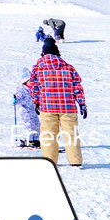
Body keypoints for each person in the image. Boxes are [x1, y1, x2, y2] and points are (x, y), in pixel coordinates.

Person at [30, 39, 86, 167]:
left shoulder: (38, 68)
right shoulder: (69, 67)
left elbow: (35, 87)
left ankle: (50, 161)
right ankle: (75, 161)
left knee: (49, 134)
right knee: (71, 134)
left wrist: (36, 102)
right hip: (68, 107)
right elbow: (77, 86)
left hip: (47, 106)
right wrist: (82, 103)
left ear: (43, 53)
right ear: (57, 52)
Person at [14, 72, 41, 148]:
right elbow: (18, 97)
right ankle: (29, 139)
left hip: (32, 109)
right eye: (30, 81)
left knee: (36, 124)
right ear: (25, 82)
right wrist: (16, 99)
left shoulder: (33, 89)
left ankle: (36, 139)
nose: (31, 83)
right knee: (29, 125)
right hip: (25, 110)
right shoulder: (22, 89)